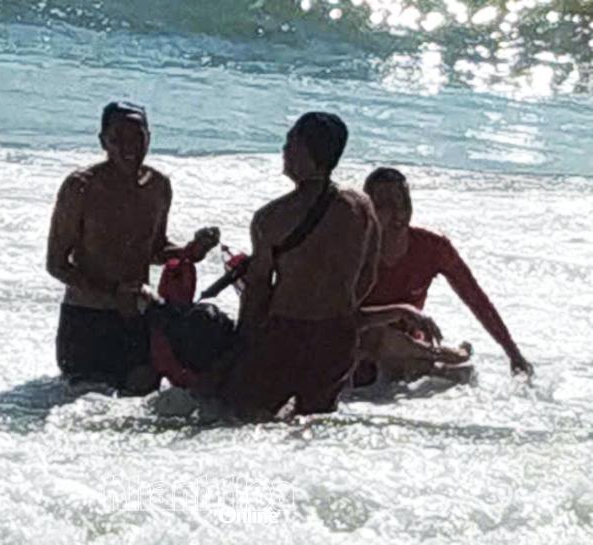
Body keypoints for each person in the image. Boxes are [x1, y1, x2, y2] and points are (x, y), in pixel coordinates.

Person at [216, 112, 388, 416]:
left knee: (241, 416)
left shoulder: (271, 218)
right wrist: (339, 309)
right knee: (314, 424)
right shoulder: (361, 207)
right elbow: (369, 275)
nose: (284, 150)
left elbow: (257, 290)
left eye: (290, 142)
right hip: (337, 334)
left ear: (306, 152)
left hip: (285, 332)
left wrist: (242, 342)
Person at [46, 101, 218, 394]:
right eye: (118, 138)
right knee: (88, 403)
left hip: (135, 317)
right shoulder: (81, 187)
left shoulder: (158, 186)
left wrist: (190, 251)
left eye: (137, 137)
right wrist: (112, 292)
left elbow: (155, 249)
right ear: (103, 142)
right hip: (86, 318)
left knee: (143, 397)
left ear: (149, 138)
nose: (129, 147)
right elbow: (56, 264)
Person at [358, 167, 533, 382]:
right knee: (374, 340)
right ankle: (447, 358)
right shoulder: (353, 249)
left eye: (403, 203)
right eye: (385, 205)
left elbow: (476, 299)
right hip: (362, 341)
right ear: (368, 211)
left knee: (401, 365)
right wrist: (399, 311)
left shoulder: (433, 248)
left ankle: (439, 364)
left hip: (410, 343)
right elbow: (341, 317)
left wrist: (513, 353)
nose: (398, 213)